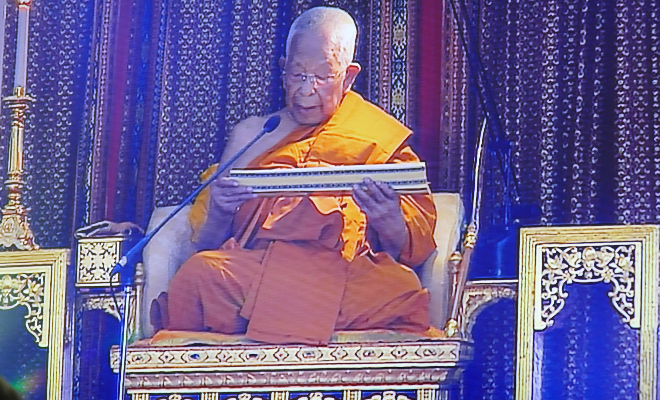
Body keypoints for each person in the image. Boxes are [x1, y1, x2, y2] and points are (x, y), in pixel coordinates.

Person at [165, 6, 438, 345]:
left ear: (348, 77)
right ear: (283, 71)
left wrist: (389, 220)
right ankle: (295, 320)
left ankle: (268, 321)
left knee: (400, 287)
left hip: (343, 272)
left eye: (323, 77)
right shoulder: (252, 135)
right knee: (197, 275)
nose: (307, 91)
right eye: (297, 75)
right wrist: (221, 211)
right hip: (258, 270)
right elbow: (204, 245)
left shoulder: (378, 136)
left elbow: (410, 252)